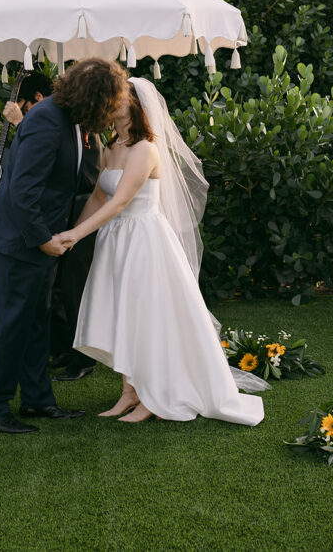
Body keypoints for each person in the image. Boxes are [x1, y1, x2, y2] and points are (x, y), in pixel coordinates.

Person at [56, 78, 266, 425]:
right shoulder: (112, 146)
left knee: (145, 317)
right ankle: (129, 391)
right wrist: (71, 234)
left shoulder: (145, 150)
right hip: (115, 240)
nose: (111, 103)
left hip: (143, 241)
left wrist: (75, 235)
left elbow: (121, 202)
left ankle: (151, 398)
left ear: (136, 105)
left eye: (118, 98)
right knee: (123, 313)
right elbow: (98, 197)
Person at [0, 58, 128, 434]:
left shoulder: (67, 118)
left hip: (42, 241)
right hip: (20, 242)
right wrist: (44, 240)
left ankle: (37, 400)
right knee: (11, 325)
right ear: (94, 98)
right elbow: (22, 192)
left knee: (36, 324)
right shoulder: (47, 119)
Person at [0, 72, 101, 382]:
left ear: (39, 99)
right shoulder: (58, 120)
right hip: (60, 221)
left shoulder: (80, 127)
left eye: (27, 106)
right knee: (56, 292)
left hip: (81, 215)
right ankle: (64, 348)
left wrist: (22, 124)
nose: (26, 113)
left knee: (74, 289)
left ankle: (82, 356)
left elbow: (82, 175)